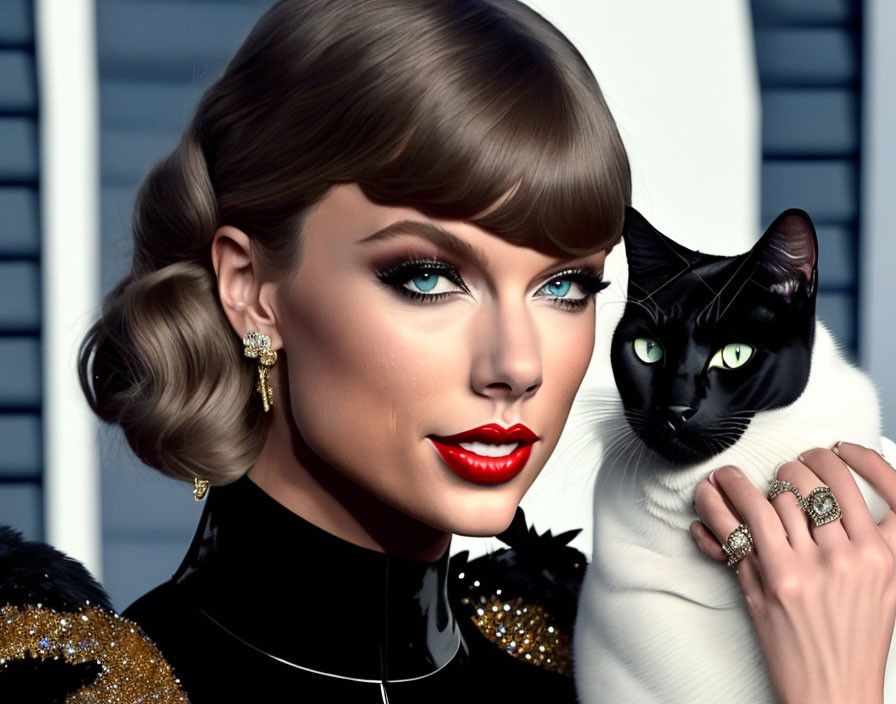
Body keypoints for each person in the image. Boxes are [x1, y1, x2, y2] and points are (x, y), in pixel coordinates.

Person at [74, 1, 896, 702]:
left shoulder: (574, 666)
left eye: (565, 288)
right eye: (429, 278)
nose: (518, 364)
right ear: (252, 289)